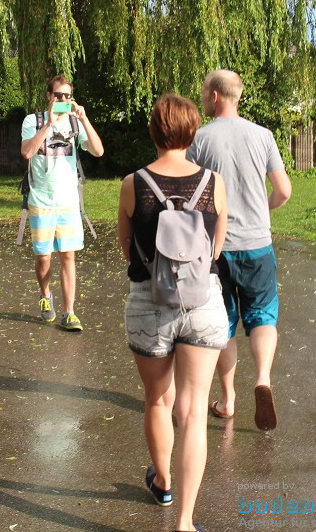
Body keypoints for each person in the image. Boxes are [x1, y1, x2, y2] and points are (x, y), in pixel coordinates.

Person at [118, 93, 227, 532]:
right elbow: (216, 246)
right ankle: (184, 523)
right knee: (195, 410)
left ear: (154, 131)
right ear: (192, 130)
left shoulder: (133, 183)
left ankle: (162, 482)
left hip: (149, 302)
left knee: (158, 400)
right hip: (202, 302)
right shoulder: (214, 182)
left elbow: (126, 248)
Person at [187, 70, 292, 431]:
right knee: (262, 315)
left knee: (225, 323)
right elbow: (284, 191)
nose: (202, 97)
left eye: (204, 92)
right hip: (258, 245)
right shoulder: (263, 136)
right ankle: (262, 378)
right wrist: (262, 208)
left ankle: (228, 399)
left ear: (215, 97)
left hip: (217, 249)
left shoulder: (199, 139)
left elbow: (190, 194)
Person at [20, 75, 104, 331]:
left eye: (67, 96)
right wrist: (49, 123)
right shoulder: (32, 121)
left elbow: (98, 151)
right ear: (49, 96)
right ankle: (46, 296)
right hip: (41, 200)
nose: (63, 100)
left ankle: (70, 312)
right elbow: (27, 152)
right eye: (58, 96)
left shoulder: (75, 124)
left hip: (68, 202)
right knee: (44, 257)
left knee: (68, 256)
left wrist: (83, 119)